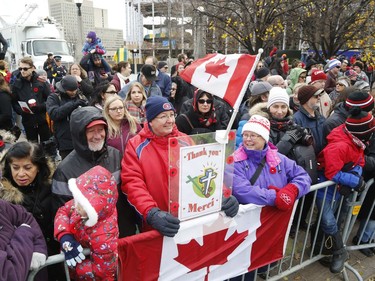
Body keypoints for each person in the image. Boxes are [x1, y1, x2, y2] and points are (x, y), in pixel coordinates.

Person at [121, 96, 239, 237]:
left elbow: (203, 171)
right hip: (159, 224)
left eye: (172, 115)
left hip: (190, 218)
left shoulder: (185, 140)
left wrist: (221, 195)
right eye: (163, 116)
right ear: (150, 121)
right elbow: (133, 183)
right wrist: (151, 212)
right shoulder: (136, 146)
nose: (170, 120)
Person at [231, 115, 311, 280]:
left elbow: (303, 176)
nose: (248, 139)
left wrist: (291, 190)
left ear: (264, 138)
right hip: (245, 230)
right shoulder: (235, 161)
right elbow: (242, 190)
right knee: (243, 269)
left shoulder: (278, 159)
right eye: (246, 135)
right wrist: (276, 197)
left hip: (271, 228)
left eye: (253, 135)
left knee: (264, 261)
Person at [51, 106, 137, 238]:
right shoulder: (64, 171)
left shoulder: (116, 156)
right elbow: (63, 213)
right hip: (92, 241)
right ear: (79, 134)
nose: (97, 136)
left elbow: (129, 191)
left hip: (123, 233)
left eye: (101, 130)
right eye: (91, 131)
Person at [316, 110, 375, 273]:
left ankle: (333, 251)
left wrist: (355, 176)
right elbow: (331, 173)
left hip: (339, 189)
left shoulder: (356, 141)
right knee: (328, 220)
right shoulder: (339, 146)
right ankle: (338, 251)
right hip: (325, 188)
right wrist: (356, 181)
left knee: (337, 219)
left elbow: (359, 161)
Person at [1, 141, 62, 280]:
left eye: (27, 167)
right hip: (30, 266)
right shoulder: (5, 199)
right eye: (15, 168)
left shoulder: (53, 186)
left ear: (39, 167)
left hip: (58, 257)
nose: (21, 174)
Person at [54, 166, 118, 280]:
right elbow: (63, 211)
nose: (76, 206)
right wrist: (65, 235)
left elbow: (102, 274)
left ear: (95, 207)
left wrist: (76, 264)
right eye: (77, 199)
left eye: (81, 203)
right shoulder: (80, 205)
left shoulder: (104, 236)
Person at [0, 199, 47, 281]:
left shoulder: (2, 206)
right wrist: (24, 233)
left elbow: (26, 218)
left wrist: (38, 248)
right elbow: (9, 275)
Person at [46, 75, 89, 159]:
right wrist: (73, 104)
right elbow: (54, 114)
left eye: (75, 90)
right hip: (64, 139)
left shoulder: (80, 96)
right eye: (70, 91)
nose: (73, 92)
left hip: (81, 138)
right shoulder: (54, 97)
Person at [11, 57, 52, 144]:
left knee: (47, 145)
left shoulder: (41, 82)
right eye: (20, 69)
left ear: (32, 68)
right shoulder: (17, 84)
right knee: (33, 147)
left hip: (43, 120)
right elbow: (14, 102)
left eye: (25, 68)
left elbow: (50, 100)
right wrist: (21, 111)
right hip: (28, 121)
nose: (22, 71)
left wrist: (40, 107)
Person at [293, 85, 326, 154]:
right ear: (306, 99)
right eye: (316, 96)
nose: (319, 98)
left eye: (319, 95)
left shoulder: (320, 117)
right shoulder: (296, 120)